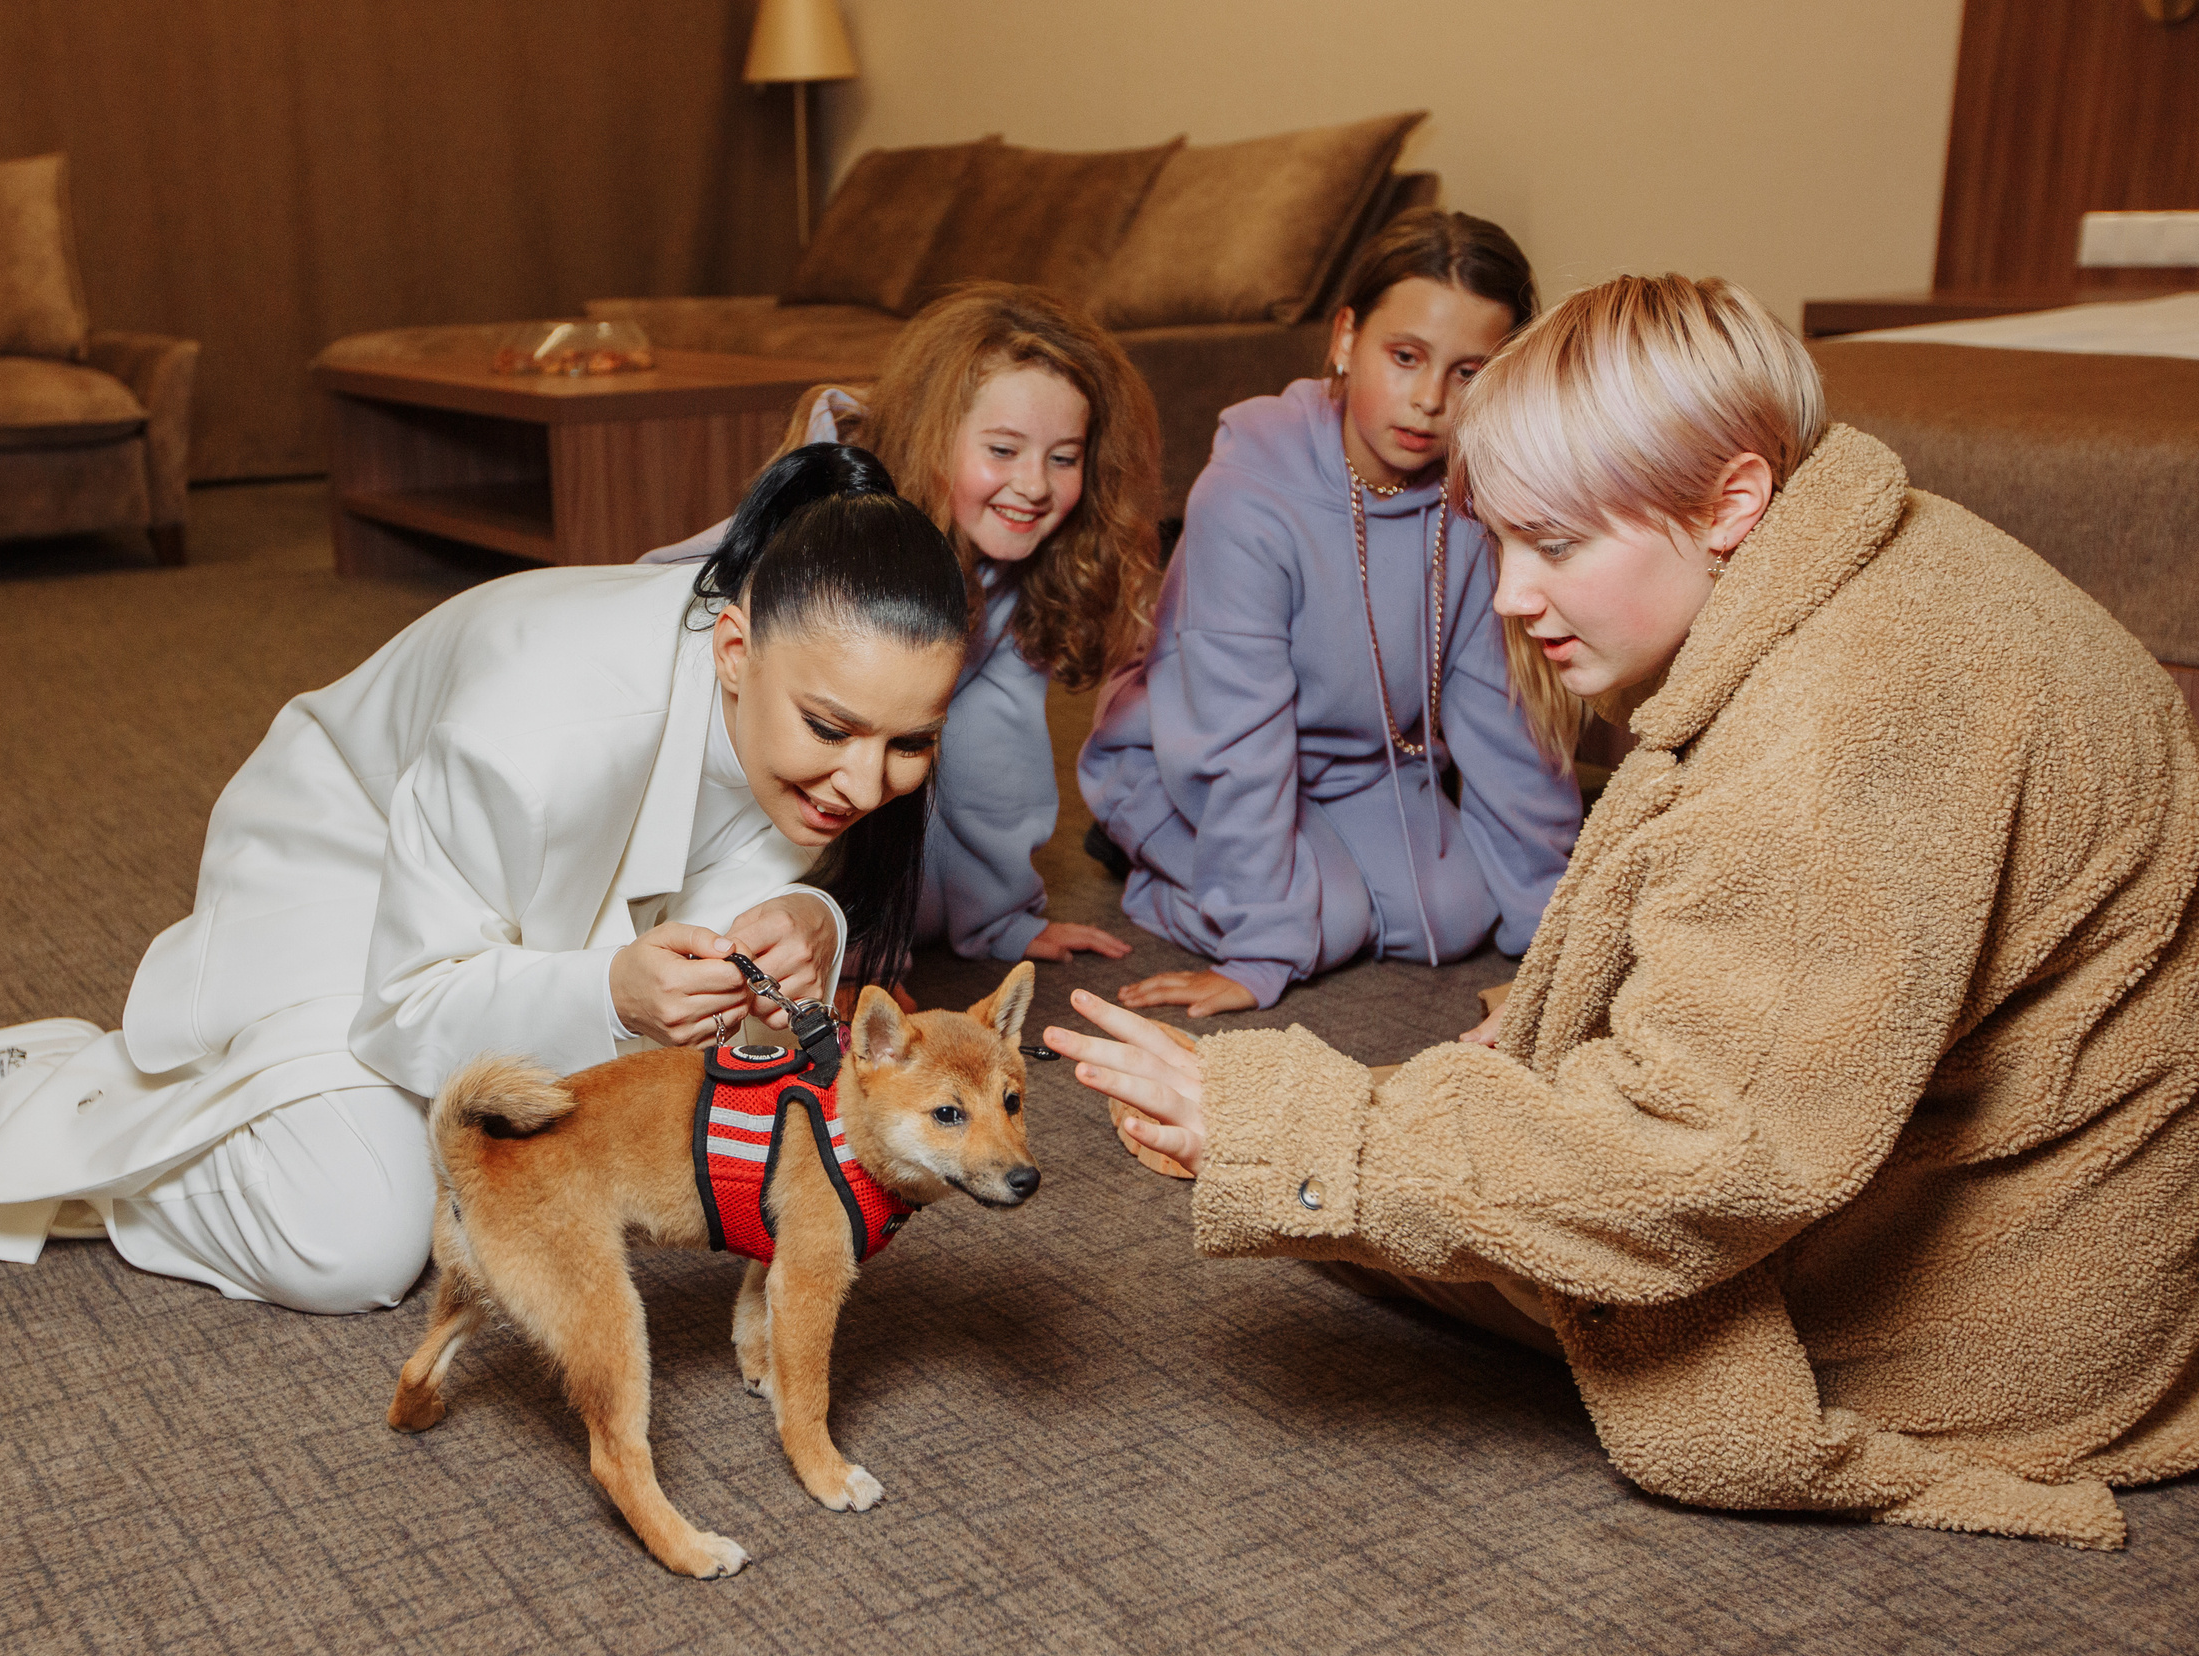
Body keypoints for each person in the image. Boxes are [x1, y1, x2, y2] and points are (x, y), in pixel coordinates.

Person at [1049, 274, 2199, 1549]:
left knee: (1344, 1200)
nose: (1507, 596)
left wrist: (1286, 1128)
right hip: (2091, 1208)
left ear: (1733, 503)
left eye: (1554, 545)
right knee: (1386, 1163)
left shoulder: (1826, 746)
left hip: (2010, 1315)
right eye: (1498, 543)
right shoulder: (1891, 560)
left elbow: (1703, 1161)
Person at [0, 445, 974, 1315]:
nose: (864, 784)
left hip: (539, 921)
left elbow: (739, 887)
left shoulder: (806, 707)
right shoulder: (546, 719)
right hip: (344, 886)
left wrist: (803, 918)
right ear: (735, 651)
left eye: (909, 744)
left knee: (496, 1177)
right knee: (351, 1240)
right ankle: (36, 1106)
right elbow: (409, 1005)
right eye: (833, 730)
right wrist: (609, 994)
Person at [1078, 210, 1582, 1018]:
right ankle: (1154, 860)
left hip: (1363, 768)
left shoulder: (1478, 500)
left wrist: (1556, 925)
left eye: (1467, 372)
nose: (1428, 400)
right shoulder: (1249, 490)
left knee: (1460, 914)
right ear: (1346, 338)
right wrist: (1261, 946)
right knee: (1324, 923)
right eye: (1405, 356)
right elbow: (1235, 737)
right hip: (1192, 756)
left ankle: (1298, 878)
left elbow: (1504, 716)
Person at [646, 284, 1164, 975]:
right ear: (931, 436)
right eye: (1003, 449)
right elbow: (757, 766)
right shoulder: (824, 538)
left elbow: (996, 760)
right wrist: (841, 946)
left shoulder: (1015, 562)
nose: (1035, 484)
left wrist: (999, 917)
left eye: (1063, 458)